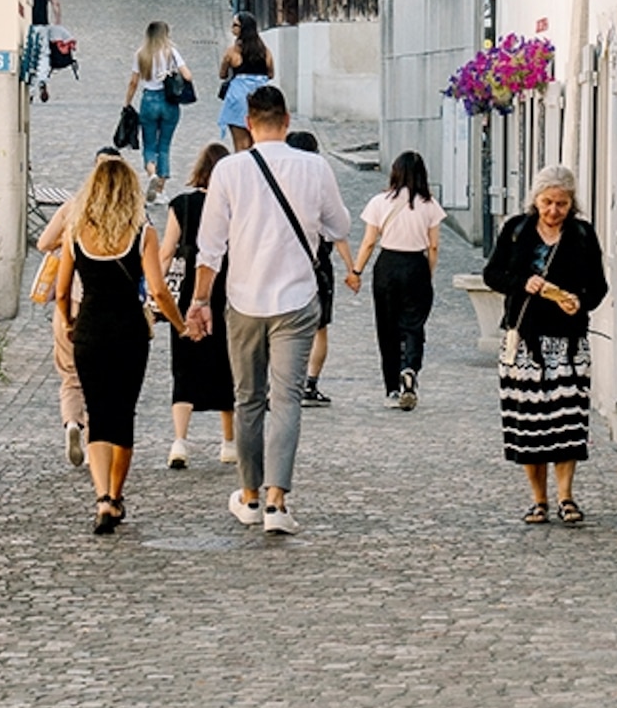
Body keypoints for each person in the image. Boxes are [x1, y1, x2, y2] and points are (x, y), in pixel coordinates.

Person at [186, 83, 349, 537]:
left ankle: (251, 497)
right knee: (287, 399)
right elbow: (340, 224)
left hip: (243, 298)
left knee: (248, 399)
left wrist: (200, 300)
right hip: (296, 300)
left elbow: (210, 247)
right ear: (288, 122)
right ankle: (278, 501)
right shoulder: (314, 167)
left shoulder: (230, 171)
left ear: (250, 125)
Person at [54, 152, 184, 534]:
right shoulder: (144, 233)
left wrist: (69, 322)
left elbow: (62, 291)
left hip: (90, 330)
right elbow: (158, 291)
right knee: (123, 413)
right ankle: (115, 494)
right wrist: (178, 324)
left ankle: (100, 499)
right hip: (129, 331)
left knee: (97, 413)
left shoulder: (75, 233)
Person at [482, 166, 608, 525]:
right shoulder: (516, 231)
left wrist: (578, 300)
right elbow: (492, 275)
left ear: (572, 204)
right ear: (535, 200)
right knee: (530, 424)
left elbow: (598, 286)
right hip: (524, 342)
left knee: (567, 422)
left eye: (562, 204)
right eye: (548, 202)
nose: (554, 210)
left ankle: (566, 496)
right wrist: (524, 282)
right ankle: (539, 500)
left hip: (568, 343)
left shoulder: (582, 235)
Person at [159, 142, 236, 469]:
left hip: (189, 290)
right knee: (227, 364)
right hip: (226, 288)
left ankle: (180, 442)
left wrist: (155, 291)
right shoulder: (236, 205)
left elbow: (165, 252)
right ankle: (228, 443)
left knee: (185, 363)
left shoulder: (182, 204)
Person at [352, 151, 446, 409]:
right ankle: (410, 368)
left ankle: (392, 387)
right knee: (414, 324)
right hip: (416, 264)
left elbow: (370, 241)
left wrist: (356, 271)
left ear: (395, 172)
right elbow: (434, 246)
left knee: (387, 326)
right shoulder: (430, 205)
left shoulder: (379, 202)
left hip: (387, 266)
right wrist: (428, 272)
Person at [284, 129, 355, 405]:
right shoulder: (319, 187)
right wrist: (352, 269)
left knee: (279, 321)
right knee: (319, 327)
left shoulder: (275, 185)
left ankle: (279, 383)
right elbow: (339, 232)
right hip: (317, 263)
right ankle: (309, 385)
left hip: (282, 259)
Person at [33, 191, 89, 467]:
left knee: (70, 373)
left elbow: (43, 242)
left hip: (69, 301)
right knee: (100, 377)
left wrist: (66, 239)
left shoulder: (71, 208)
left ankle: (72, 423)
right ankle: (96, 443)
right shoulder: (122, 211)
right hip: (102, 304)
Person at [126, 19, 190, 199]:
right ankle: (160, 190)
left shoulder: (141, 54)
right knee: (164, 146)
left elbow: (133, 83)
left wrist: (127, 103)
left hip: (149, 100)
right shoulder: (171, 53)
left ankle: (152, 174)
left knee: (149, 144)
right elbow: (188, 75)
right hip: (169, 101)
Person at [217, 15, 277, 152]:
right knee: (259, 143)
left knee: (240, 145)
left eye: (235, 25)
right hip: (261, 98)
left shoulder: (232, 52)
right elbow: (271, 73)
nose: (232, 28)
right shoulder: (265, 51)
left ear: (243, 29)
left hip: (238, 97)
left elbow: (222, 74)